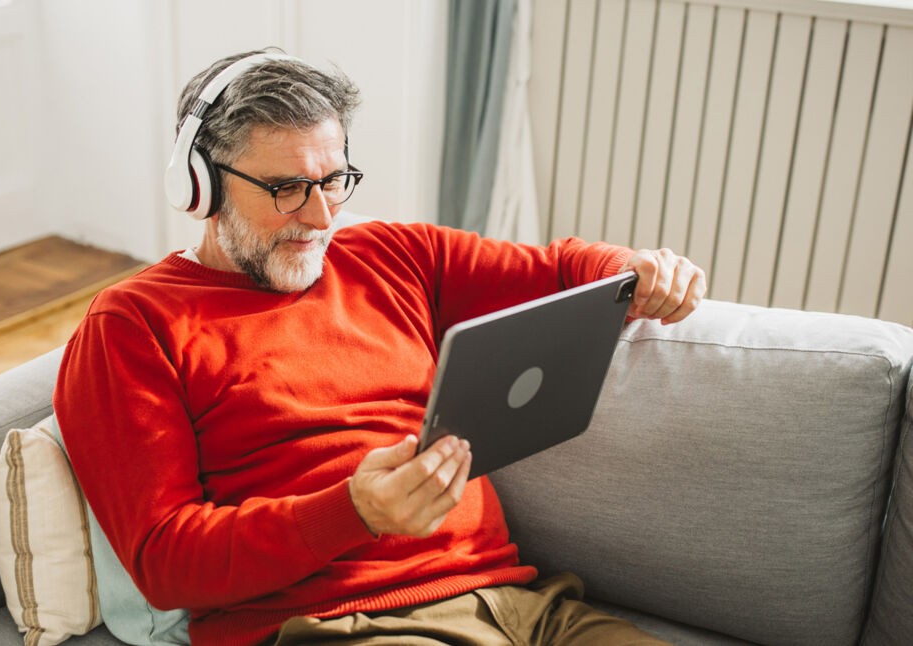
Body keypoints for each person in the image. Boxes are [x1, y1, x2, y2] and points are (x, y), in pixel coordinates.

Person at [54, 48, 706, 646]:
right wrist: (352, 510)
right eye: (286, 189)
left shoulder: (397, 255)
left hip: (523, 607)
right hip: (342, 626)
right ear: (200, 185)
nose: (321, 217)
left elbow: (562, 272)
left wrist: (637, 269)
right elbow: (166, 563)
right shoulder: (131, 325)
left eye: (335, 180)